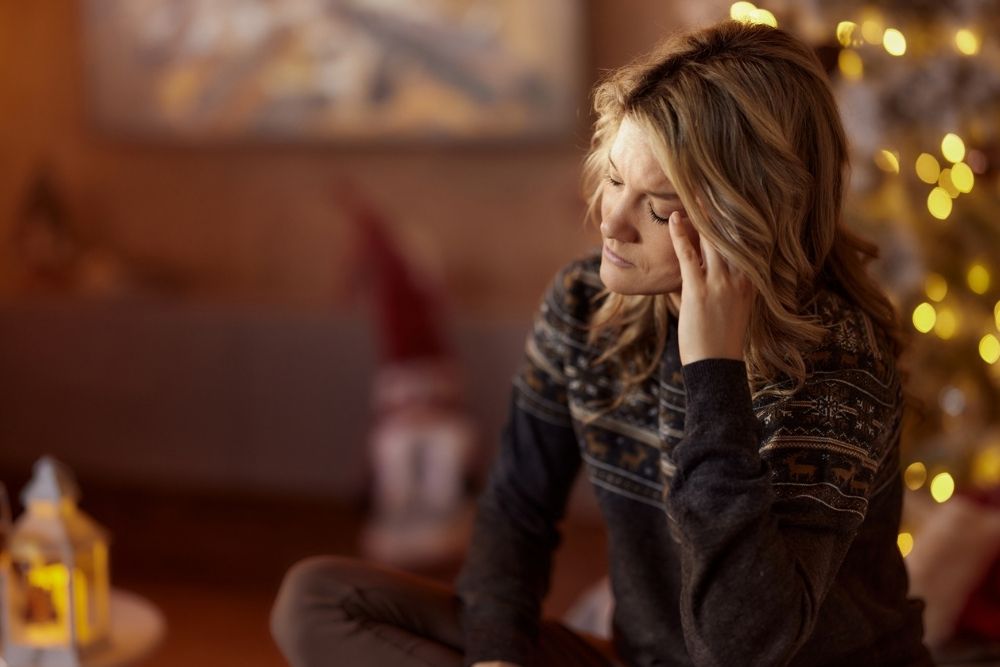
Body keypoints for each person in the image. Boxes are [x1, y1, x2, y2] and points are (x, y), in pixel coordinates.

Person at [270, 20, 933, 667]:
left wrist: (714, 373)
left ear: (748, 217)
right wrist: (496, 657)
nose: (611, 222)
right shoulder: (582, 304)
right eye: (615, 179)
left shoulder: (839, 363)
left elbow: (744, 647)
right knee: (321, 601)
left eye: (659, 206)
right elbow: (516, 510)